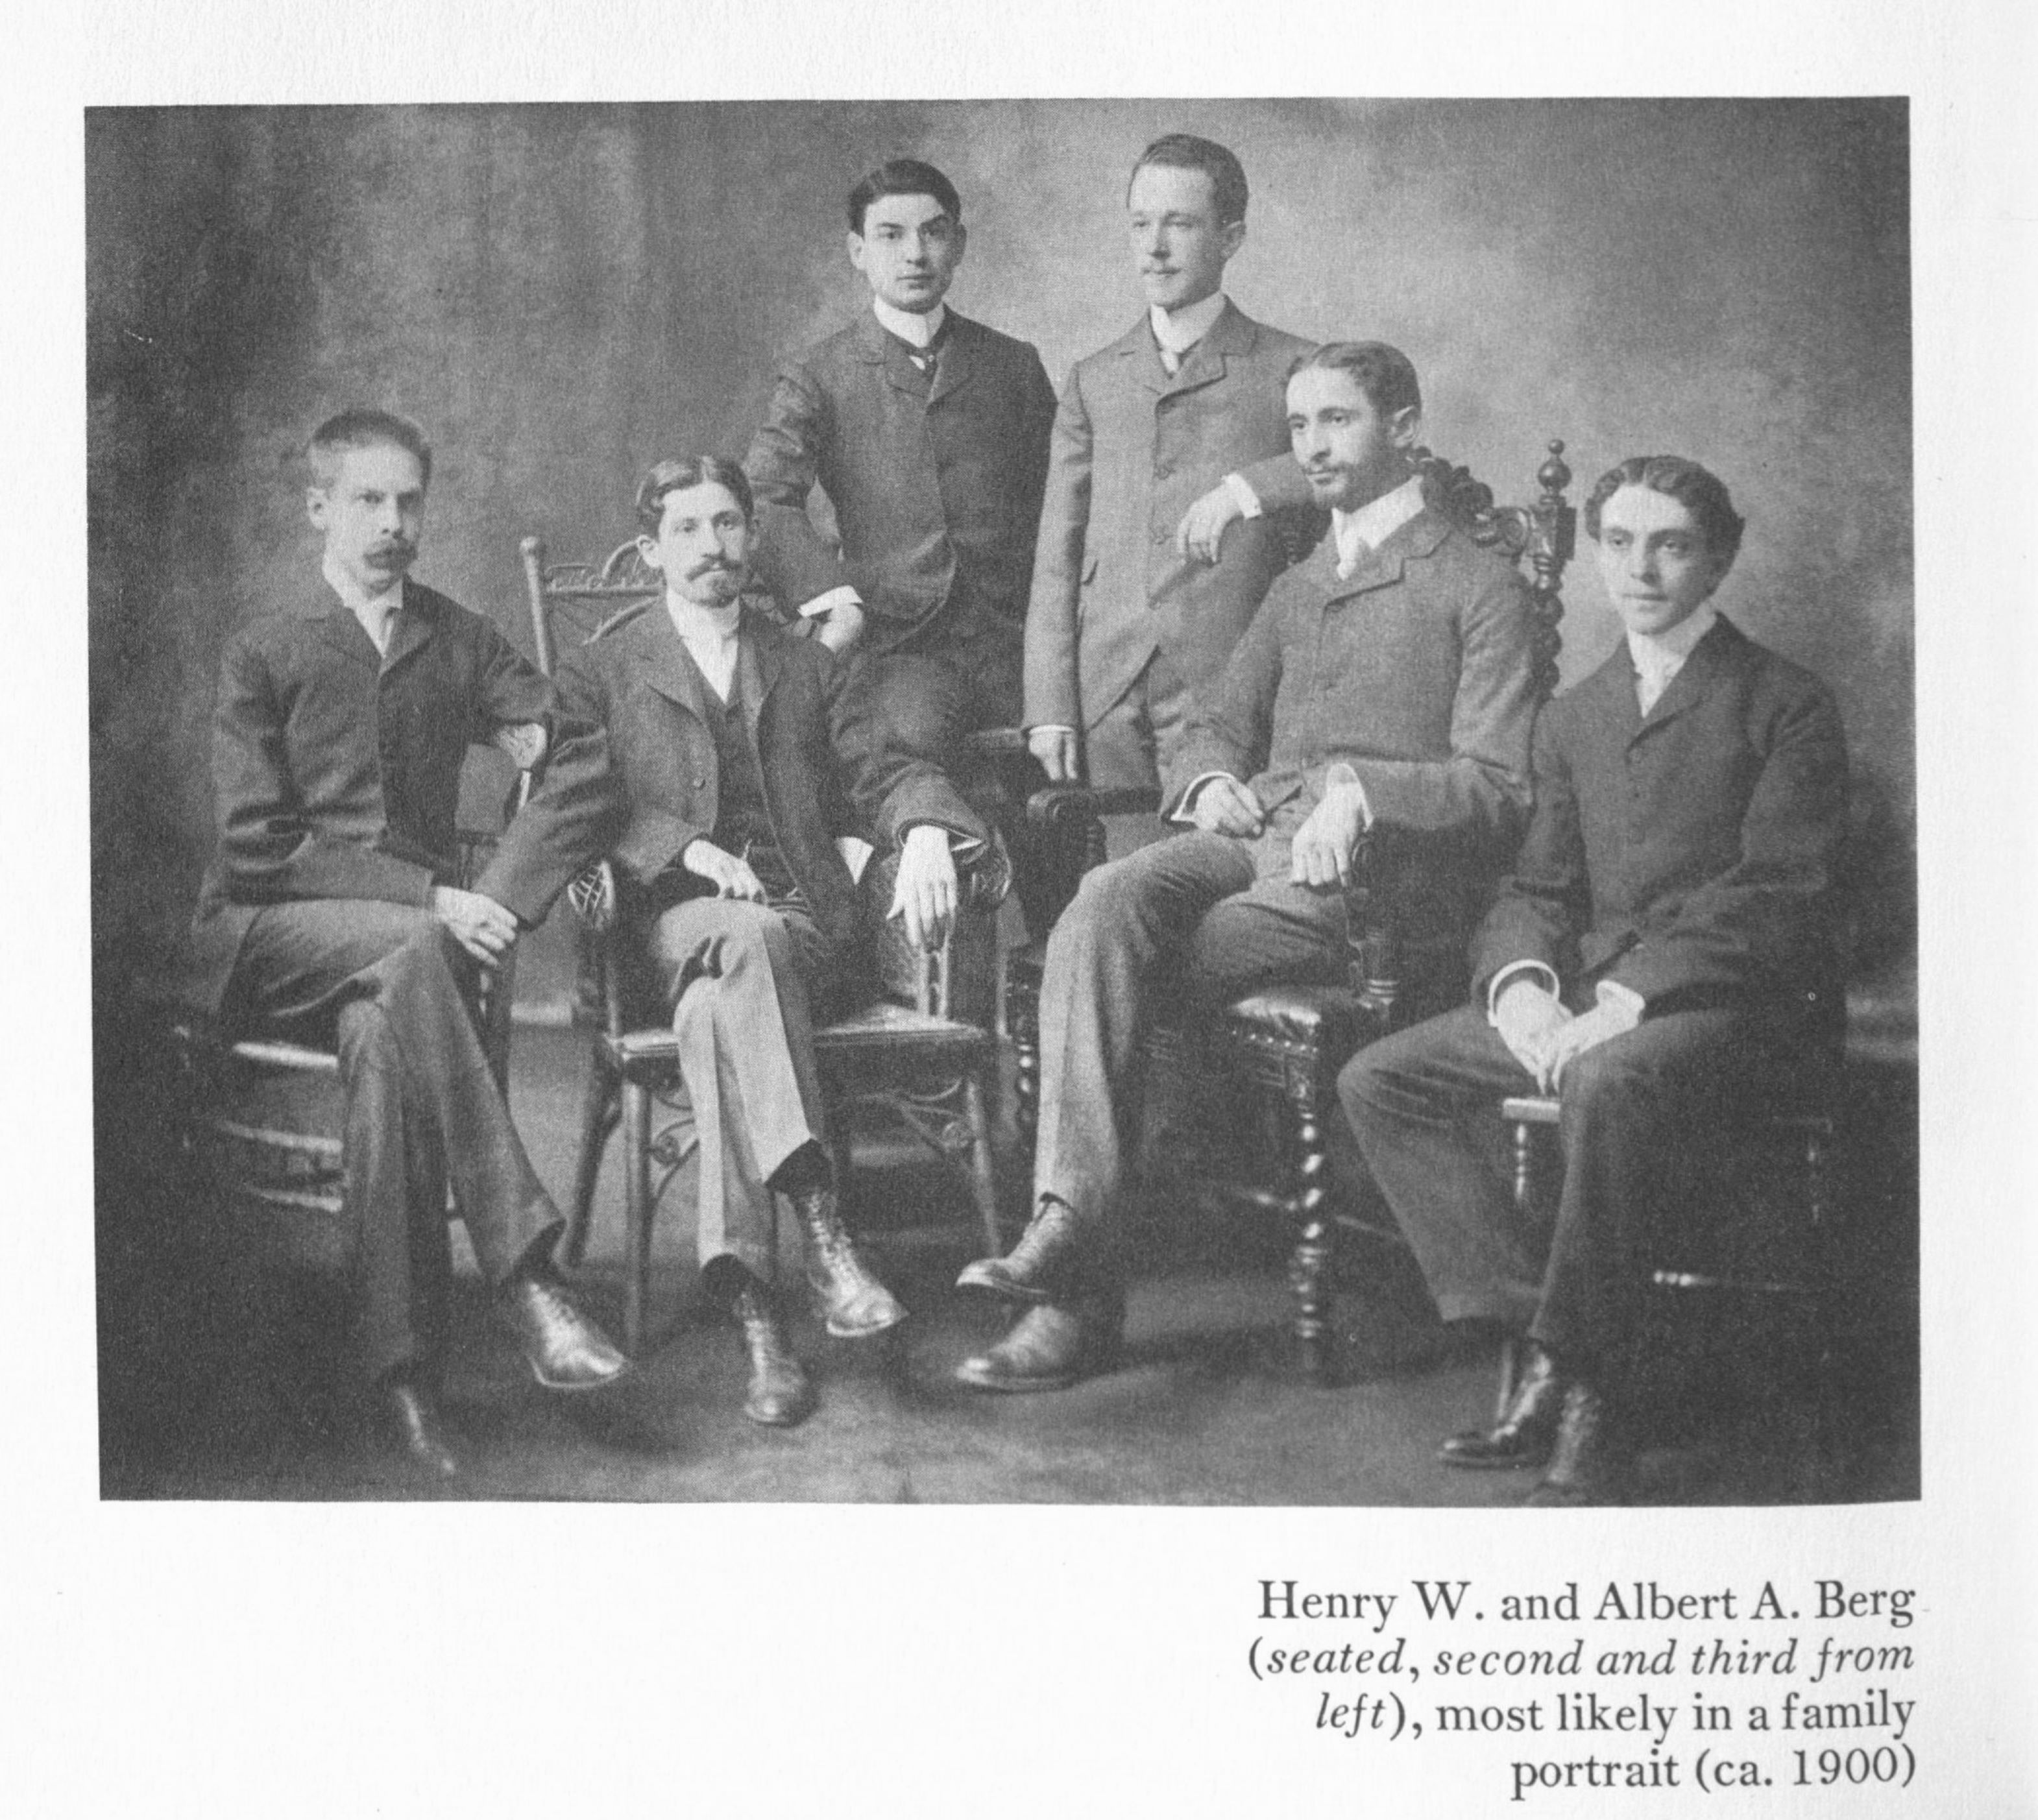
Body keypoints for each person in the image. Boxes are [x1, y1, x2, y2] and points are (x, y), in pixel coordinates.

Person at [955, 343, 1540, 1391]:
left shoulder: (1479, 582)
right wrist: (1210, 778)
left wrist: (1365, 791)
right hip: (1252, 837)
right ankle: (1068, 1221)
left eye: (1337, 421)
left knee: (1104, 972)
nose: (1310, 445)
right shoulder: (1300, 582)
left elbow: (1500, 785)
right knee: (1103, 898)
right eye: (1299, 424)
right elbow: (1217, 722)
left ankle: (1071, 1292)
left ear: (1404, 428)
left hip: (1371, 885)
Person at [1339, 456, 1850, 1505]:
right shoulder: (1573, 715)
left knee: (1604, 1078)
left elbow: (1782, 891)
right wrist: (1524, 987)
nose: (1640, 569)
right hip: (1586, 1001)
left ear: (1720, 558)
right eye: (1618, 543)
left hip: (1738, 1006)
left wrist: (1625, 1001)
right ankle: (1543, 1336)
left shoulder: (1786, 703)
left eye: (1670, 545)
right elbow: (1538, 886)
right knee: (1380, 1079)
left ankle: (1594, 1392)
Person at [188, 408, 631, 1481]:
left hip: (408, 964)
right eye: (368, 501)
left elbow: (587, 757)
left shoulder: (456, 636)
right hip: (270, 937)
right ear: (320, 509)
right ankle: (526, 1276)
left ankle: (404, 1381)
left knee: (387, 1041)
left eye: (409, 501)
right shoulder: (266, 648)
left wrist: (497, 888)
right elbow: (253, 848)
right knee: (416, 953)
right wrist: (435, 899)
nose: (393, 523)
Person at [552, 456, 991, 1427]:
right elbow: (571, 802)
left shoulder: (805, 661)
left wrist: (924, 829)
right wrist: (685, 849)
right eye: (687, 528)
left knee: (721, 1005)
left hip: (805, 933)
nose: (712, 547)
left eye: (727, 524)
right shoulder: (604, 666)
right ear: (651, 549)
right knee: (734, 940)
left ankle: (762, 1326)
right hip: (670, 925)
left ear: (752, 535)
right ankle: (825, 1235)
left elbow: (885, 768)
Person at [744, 156, 1057, 928]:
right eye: (890, 235)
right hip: (902, 649)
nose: (915, 254)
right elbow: (765, 497)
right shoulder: (821, 374)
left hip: (1019, 646)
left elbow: (1062, 505)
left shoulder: (1012, 366)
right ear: (858, 252)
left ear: (959, 245)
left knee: (1068, 797)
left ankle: (1060, 959)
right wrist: (832, 597)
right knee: (900, 742)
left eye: (932, 233)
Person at [1021, 132, 1313, 802]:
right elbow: (1057, 557)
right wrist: (1049, 704)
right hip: (1106, 688)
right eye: (1140, 224)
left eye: (1179, 224)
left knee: (1219, 862)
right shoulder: (1095, 378)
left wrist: (1247, 488)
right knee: (1114, 865)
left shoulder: (1292, 366)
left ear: (1231, 237)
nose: (1154, 247)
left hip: (1233, 683)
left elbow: (1361, 469)